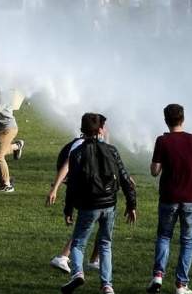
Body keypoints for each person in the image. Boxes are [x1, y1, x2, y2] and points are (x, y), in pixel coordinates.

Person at [53, 113, 137, 294]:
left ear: (82, 130)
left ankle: (77, 274)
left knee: (78, 243)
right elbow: (125, 178)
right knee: (105, 244)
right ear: (100, 130)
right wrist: (132, 205)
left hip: (88, 205)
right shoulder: (112, 150)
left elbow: (73, 185)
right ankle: (107, 285)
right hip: (109, 204)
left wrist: (68, 209)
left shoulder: (77, 153)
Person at [147, 104, 192, 294]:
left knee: (164, 236)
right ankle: (181, 285)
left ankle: (158, 276)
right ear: (183, 119)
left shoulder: (163, 141)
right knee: (187, 242)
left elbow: (154, 171)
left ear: (165, 120)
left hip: (169, 197)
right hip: (191, 199)